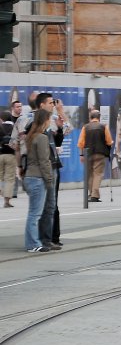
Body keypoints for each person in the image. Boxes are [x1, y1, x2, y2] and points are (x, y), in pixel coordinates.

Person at [21, 108, 54, 253]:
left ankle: (33, 242)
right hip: (37, 178)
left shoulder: (30, 136)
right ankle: (33, 244)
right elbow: (44, 161)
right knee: (35, 214)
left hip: (29, 176)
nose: (50, 121)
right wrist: (49, 180)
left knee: (33, 213)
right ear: (45, 121)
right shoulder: (42, 138)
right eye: (49, 119)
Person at [77, 110, 113, 202]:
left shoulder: (85, 127)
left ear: (90, 117)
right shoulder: (103, 127)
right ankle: (95, 195)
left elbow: (81, 143)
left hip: (88, 154)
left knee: (89, 174)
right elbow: (109, 141)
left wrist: (81, 154)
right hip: (100, 153)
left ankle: (91, 193)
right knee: (98, 174)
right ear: (99, 117)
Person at [1, 110, 16, 207]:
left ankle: (1, 189)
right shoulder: (13, 127)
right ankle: (7, 201)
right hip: (10, 155)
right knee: (9, 178)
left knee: (0, 176)